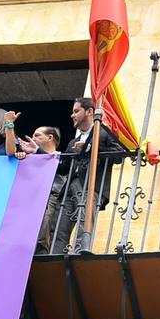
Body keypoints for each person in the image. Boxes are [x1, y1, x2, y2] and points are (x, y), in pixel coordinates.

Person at [51, 98, 120, 253]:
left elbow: (118, 156)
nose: (72, 115)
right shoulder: (73, 142)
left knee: (84, 221)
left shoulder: (103, 133)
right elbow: (64, 168)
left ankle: (79, 254)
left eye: (76, 111)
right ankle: (54, 256)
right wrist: (42, 154)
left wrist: (91, 148)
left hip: (90, 185)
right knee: (58, 227)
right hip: (69, 188)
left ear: (89, 111)